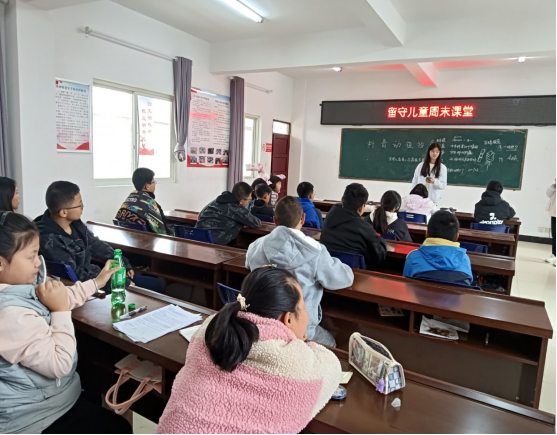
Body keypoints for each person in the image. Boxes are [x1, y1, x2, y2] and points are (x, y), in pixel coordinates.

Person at [156, 267, 341, 434]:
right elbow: (331, 366)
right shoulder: (298, 364)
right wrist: (302, 342)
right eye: (302, 308)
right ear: (289, 319)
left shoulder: (211, 328)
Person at [0, 211, 132, 434]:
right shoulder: (10, 314)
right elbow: (59, 366)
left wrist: (98, 282)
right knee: (118, 428)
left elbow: (60, 296)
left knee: (93, 384)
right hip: (34, 417)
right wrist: (60, 311)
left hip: (45, 398)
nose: (38, 262)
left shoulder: (17, 289)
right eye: (31, 256)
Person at [245, 196, 354, 347]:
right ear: (303, 218)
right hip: (300, 328)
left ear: (275, 220)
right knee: (331, 344)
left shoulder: (256, 245)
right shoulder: (315, 250)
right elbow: (342, 278)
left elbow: (248, 264)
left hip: (262, 321)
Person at [35, 181, 162, 293]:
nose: (83, 206)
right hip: (89, 288)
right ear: (63, 212)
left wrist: (122, 263)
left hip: (99, 276)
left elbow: (96, 245)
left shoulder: (74, 224)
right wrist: (120, 283)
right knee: (154, 285)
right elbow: (77, 276)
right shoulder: (50, 240)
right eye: (79, 204)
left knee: (153, 282)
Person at [321, 183, 387, 269]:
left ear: (342, 199)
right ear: (361, 208)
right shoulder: (364, 228)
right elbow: (379, 257)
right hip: (353, 274)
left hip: (326, 270)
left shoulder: (328, 219)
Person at [403, 211, 473, 286]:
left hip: (421, 293)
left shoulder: (413, 257)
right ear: (456, 237)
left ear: (427, 234)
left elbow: (406, 283)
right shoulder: (465, 259)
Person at [196, 182, 262, 246]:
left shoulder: (215, 201)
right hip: (211, 245)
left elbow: (200, 214)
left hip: (195, 237)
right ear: (241, 201)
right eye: (249, 199)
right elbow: (257, 223)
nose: (249, 201)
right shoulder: (237, 209)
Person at [116, 168, 172, 235]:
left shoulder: (127, 201)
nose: (155, 184)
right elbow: (162, 232)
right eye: (153, 182)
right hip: (148, 240)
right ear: (147, 187)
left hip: (130, 238)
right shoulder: (152, 205)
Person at [546, 179, 556, 266]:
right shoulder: (554, 187)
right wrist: (554, 186)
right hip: (554, 213)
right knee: (555, 235)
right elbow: (548, 194)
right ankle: (554, 255)